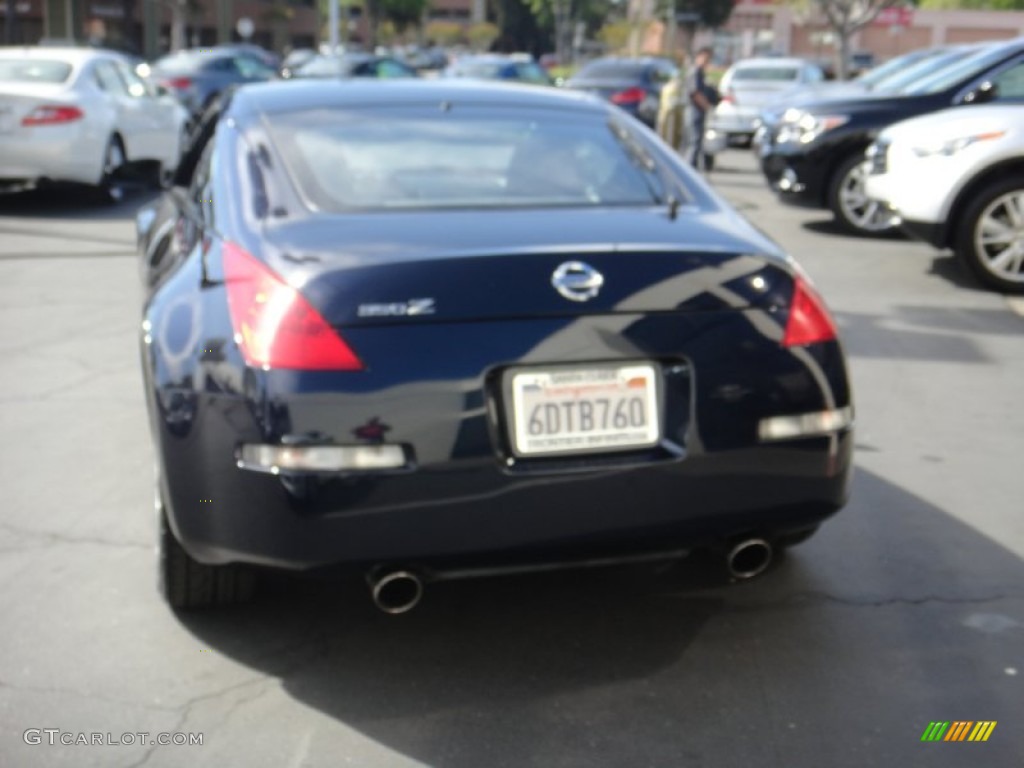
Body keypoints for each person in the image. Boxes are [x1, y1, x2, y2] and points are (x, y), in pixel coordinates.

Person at [684, 47, 715, 170]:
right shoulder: (695, 72)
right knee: (694, 142)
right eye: (705, 58)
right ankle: (689, 169)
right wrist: (706, 106)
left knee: (696, 141)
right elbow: (695, 92)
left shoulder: (700, 72)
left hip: (697, 111)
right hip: (694, 110)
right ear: (698, 57)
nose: (707, 61)